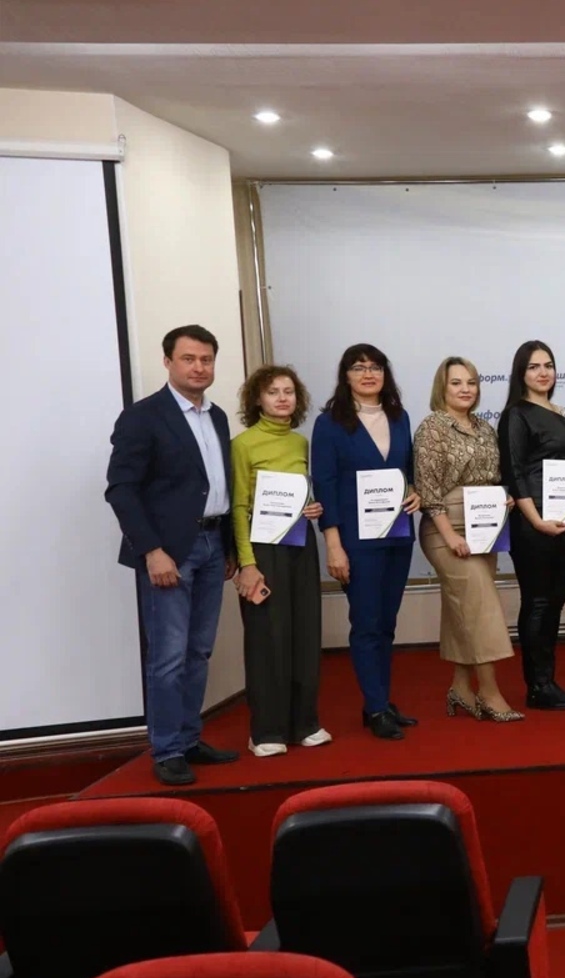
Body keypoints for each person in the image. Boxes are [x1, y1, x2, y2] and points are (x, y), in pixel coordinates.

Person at [106, 325, 240, 786]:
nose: (199, 367)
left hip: (212, 544)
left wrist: (228, 547)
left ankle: (187, 738)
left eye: (206, 359)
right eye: (188, 359)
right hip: (168, 552)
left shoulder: (217, 416)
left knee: (198, 651)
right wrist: (151, 551)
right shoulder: (143, 417)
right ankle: (166, 750)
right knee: (168, 656)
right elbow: (121, 490)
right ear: (168, 362)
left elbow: (218, 485)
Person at [311, 344, 421, 740]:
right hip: (355, 542)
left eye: (375, 367)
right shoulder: (329, 423)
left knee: (387, 623)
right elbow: (324, 484)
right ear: (346, 376)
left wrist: (415, 491)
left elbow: (406, 471)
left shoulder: (399, 417)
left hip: (397, 535)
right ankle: (375, 707)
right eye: (358, 368)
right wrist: (333, 545)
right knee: (367, 623)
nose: (368, 374)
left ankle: (380, 701)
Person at [230, 364, 332, 756]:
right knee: (267, 638)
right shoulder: (243, 444)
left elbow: (302, 495)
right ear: (258, 399)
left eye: (288, 391)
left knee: (305, 632)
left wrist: (313, 507)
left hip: (300, 544)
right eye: (273, 392)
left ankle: (305, 723)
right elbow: (239, 507)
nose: (282, 398)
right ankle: (266, 731)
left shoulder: (300, 443)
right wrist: (247, 563)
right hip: (261, 549)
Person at [413, 357, 522, 722]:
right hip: (445, 528)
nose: (465, 389)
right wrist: (449, 535)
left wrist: (504, 499)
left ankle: (460, 688)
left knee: (465, 607)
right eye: (456, 382)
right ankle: (489, 693)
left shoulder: (484, 427)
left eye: (471, 382)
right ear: (442, 388)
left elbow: (494, 478)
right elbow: (428, 490)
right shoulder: (432, 427)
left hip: (485, 527)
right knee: (482, 605)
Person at [499, 340, 565, 711]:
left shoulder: (559, 412)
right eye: (534, 366)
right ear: (520, 373)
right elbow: (515, 471)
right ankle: (537, 687)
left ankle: (548, 680)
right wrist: (536, 520)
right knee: (538, 602)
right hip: (534, 522)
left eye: (549, 365)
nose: (543, 372)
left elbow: (555, 461)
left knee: (555, 602)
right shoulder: (516, 414)